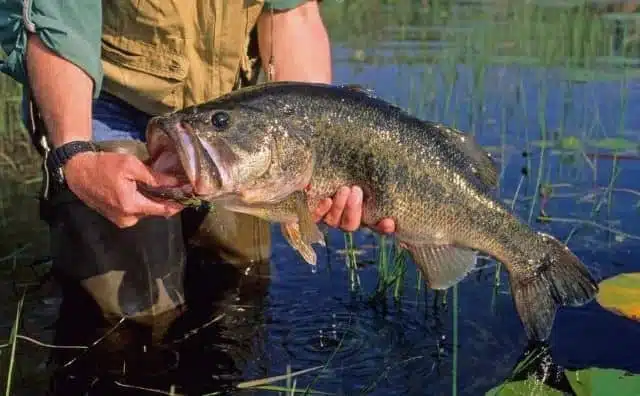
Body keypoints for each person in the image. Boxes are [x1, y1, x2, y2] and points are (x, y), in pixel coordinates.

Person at [0, 0, 396, 323]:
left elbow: (294, 14)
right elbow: (61, 21)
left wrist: (314, 164)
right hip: (102, 103)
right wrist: (74, 154)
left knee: (239, 280)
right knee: (132, 310)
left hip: (223, 117)